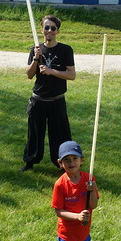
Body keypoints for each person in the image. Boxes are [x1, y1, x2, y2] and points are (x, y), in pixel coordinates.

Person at [20, 15, 76, 172]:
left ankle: (62, 163)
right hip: (38, 99)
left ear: (57, 31)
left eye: (53, 28)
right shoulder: (36, 49)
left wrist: (52, 71)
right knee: (35, 133)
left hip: (56, 100)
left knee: (60, 133)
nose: (49, 31)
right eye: (46, 27)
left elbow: (71, 75)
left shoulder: (65, 50)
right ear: (42, 29)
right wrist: (36, 59)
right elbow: (29, 74)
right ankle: (30, 161)